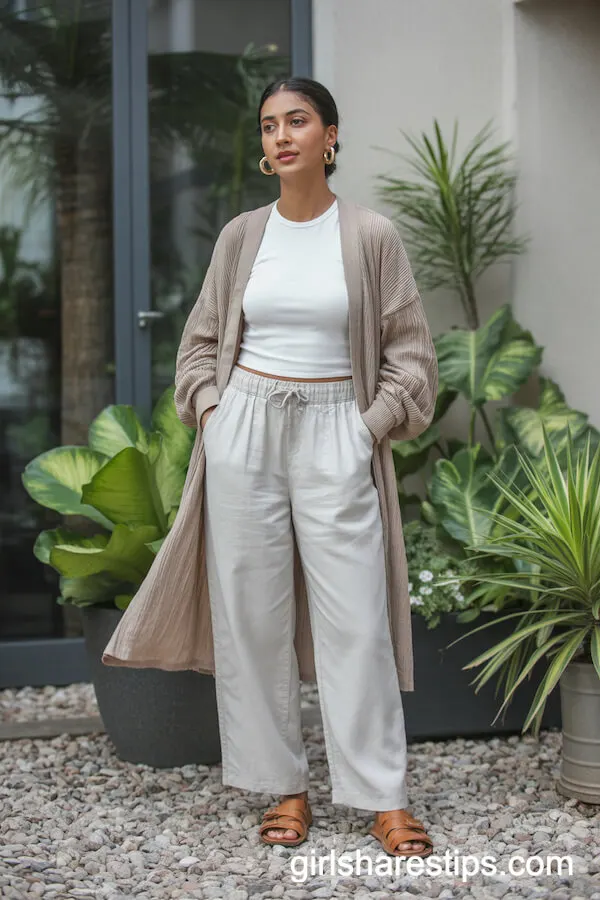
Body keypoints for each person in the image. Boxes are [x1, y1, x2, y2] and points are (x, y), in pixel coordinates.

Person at [104, 75, 437, 858]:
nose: (281, 136)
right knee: (251, 617)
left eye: (297, 121)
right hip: (246, 425)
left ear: (330, 135)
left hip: (335, 430)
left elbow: (412, 360)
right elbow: (199, 345)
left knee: (355, 617)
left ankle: (382, 795)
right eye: (268, 125)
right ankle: (282, 785)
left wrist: (365, 431)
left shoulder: (370, 236)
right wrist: (217, 418)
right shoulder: (241, 236)